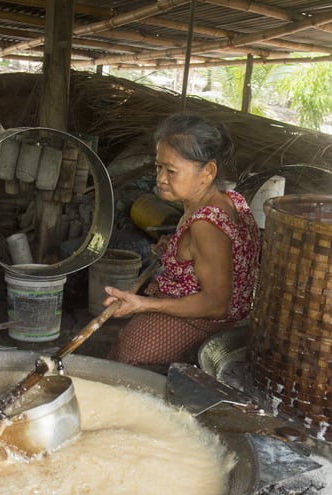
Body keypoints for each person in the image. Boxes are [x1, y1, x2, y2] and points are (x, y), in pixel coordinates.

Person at [104, 114, 261, 367]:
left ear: (208, 172)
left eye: (171, 171)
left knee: (127, 356)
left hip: (206, 321)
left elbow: (216, 304)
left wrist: (144, 304)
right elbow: (218, 254)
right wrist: (177, 247)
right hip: (227, 312)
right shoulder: (231, 199)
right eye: (158, 167)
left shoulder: (206, 224)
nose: (161, 178)